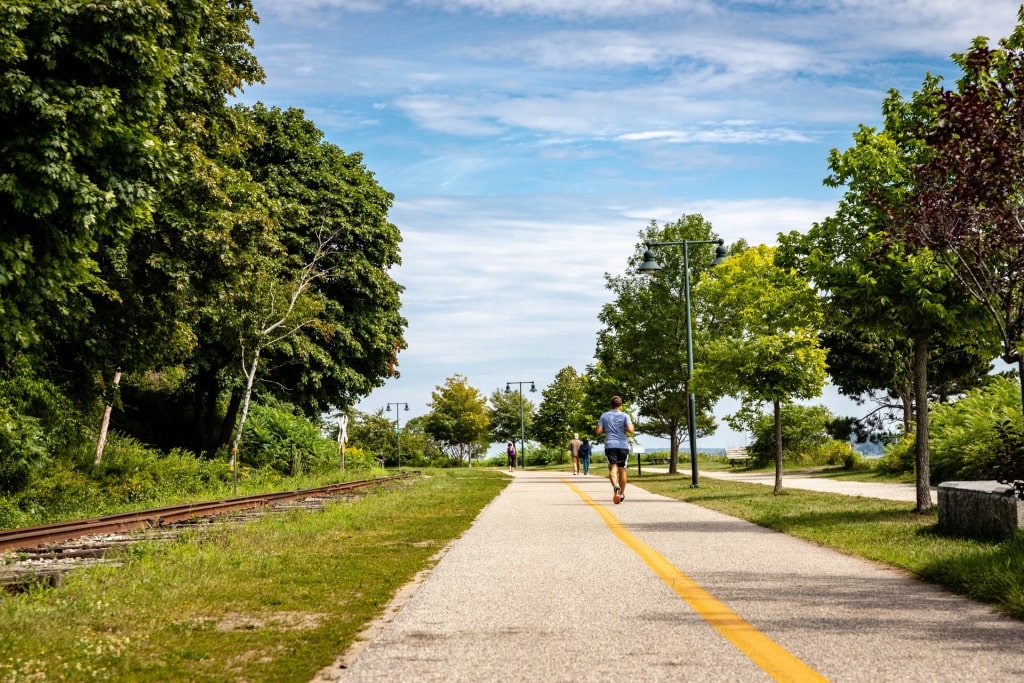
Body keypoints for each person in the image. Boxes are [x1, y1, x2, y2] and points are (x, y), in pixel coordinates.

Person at [596, 395, 634, 504]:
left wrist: (606, 429)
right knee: (622, 470)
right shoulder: (625, 416)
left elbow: (598, 431)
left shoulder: (604, 416)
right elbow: (631, 429)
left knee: (612, 468)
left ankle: (615, 486)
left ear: (611, 405)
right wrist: (625, 427)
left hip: (610, 445)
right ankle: (621, 494)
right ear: (620, 405)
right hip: (622, 445)